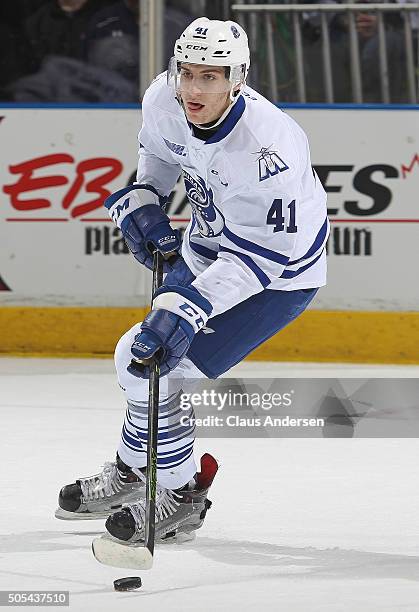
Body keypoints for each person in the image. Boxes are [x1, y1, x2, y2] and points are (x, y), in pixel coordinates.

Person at [56, 17, 329, 545]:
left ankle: (181, 496)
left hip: (274, 277)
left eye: (211, 76)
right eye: (187, 72)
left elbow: (260, 259)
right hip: (210, 248)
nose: (194, 88)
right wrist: (146, 198)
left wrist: (187, 307)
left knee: (158, 365)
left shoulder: (269, 150)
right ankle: (137, 472)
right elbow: (159, 154)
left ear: (238, 79)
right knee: (140, 362)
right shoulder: (164, 97)